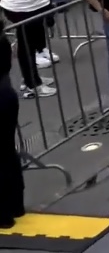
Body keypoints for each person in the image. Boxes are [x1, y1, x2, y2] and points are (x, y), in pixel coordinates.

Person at [0, 33, 23, 229]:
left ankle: (3, 214)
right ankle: (17, 205)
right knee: (8, 151)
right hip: (6, 93)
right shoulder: (3, 39)